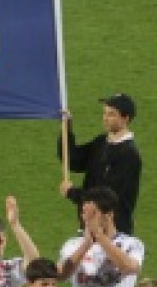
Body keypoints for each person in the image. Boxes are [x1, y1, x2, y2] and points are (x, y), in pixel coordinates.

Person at [57, 93, 142, 235]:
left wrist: (72, 193)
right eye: (105, 113)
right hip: (90, 228)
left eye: (111, 114)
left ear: (125, 118)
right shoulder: (102, 142)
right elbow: (73, 160)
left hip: (113, 233)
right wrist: (67, 129)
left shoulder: (129, 155)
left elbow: (107, 199)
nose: (105, 118)